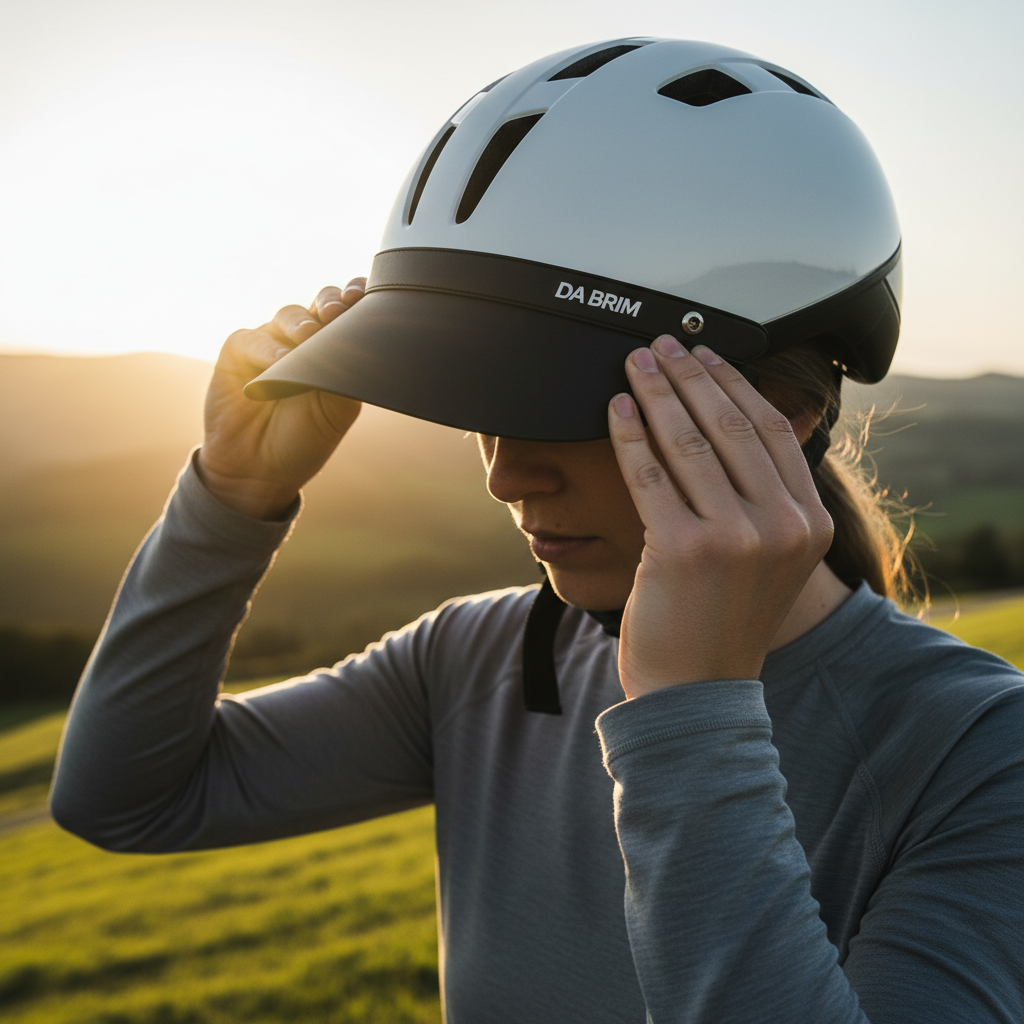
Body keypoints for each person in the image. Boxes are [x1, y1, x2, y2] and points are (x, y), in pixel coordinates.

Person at [51, 38, 1024, 1023]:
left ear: (782, 412)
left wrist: (692, 712)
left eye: (557, 405)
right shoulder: (486, 657)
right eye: (480, 400)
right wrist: (230, 494)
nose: (504, 473)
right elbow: (124, 797)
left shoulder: (978, 751)